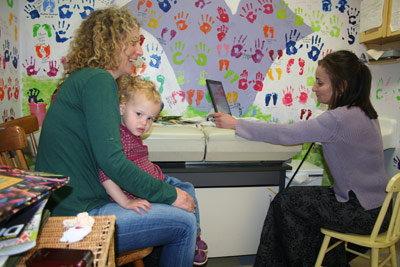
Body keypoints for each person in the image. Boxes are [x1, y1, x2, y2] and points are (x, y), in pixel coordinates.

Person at [35, 7, 197, 266]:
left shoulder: (88, 80)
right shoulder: (98, 81)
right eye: (133, 42)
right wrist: (169, 195)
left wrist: (167, 192)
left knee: (178, 190)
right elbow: (113, 162)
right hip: (80, 217)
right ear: (111, 42)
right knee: (185, 223)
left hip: (75, 206)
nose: (140, 51)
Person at [214, 50, 390, 267]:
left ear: (342, 86)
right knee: (291, 199)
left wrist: (236, 124)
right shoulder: (365, 113)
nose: (314, 88)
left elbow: (286, 134)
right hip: (379, 209)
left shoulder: (337, 119)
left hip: (362, 212)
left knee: (286, 202)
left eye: (320, 83)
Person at [99, 74, 208, 265]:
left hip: (154, 182)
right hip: (136, 193)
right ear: (121, 108)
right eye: (139, 114)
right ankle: (193, 237)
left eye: (150, 118)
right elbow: (105, 175)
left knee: (187, 187)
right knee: (184, 195)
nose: (144, 123)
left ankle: (195, 237)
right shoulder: (117, 137)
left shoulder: (132, 131)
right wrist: (125, 202)